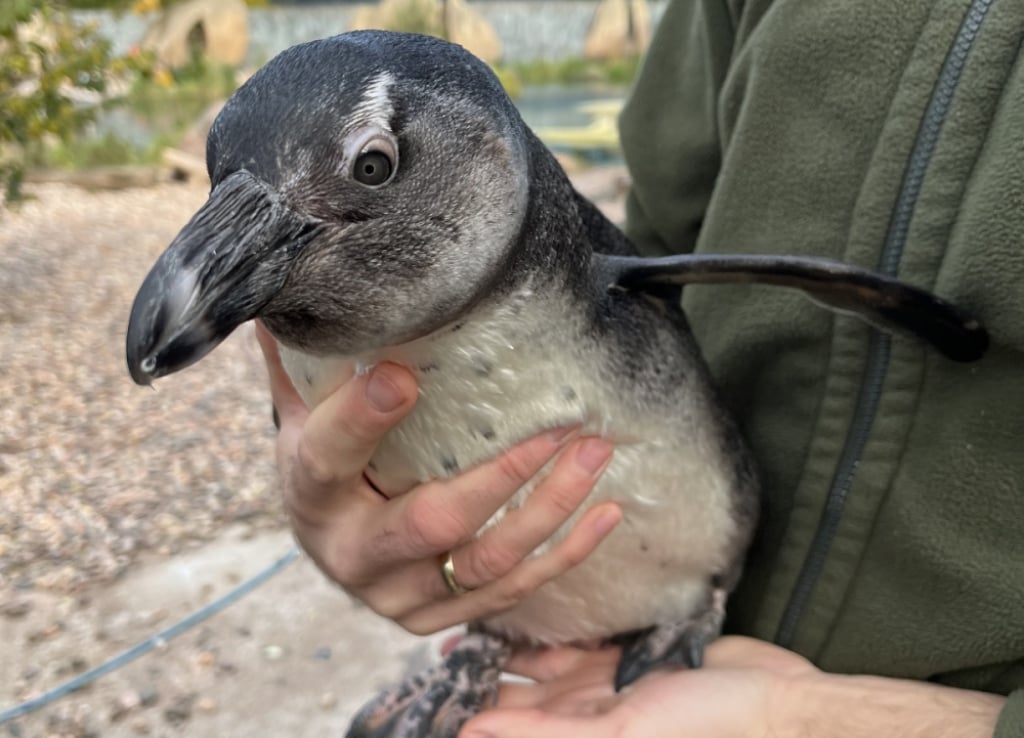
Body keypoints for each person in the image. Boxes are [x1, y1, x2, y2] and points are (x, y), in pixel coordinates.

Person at [256, 0, 1024, 734]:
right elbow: (652, 241)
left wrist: (815, 721)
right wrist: (359, 518)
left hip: (774, 645)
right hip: (608, 661)